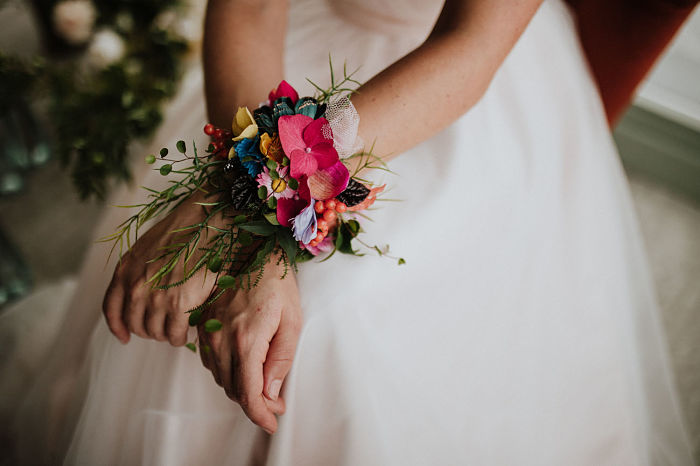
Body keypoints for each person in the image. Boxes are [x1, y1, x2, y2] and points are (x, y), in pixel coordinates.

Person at [3, 0, 696, 464]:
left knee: (327, 322)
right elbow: (247, 10)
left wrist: (243, 198)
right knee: (191, 286)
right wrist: (255, 214)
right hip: (292, 58)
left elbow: (472, 47)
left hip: (453, 87)